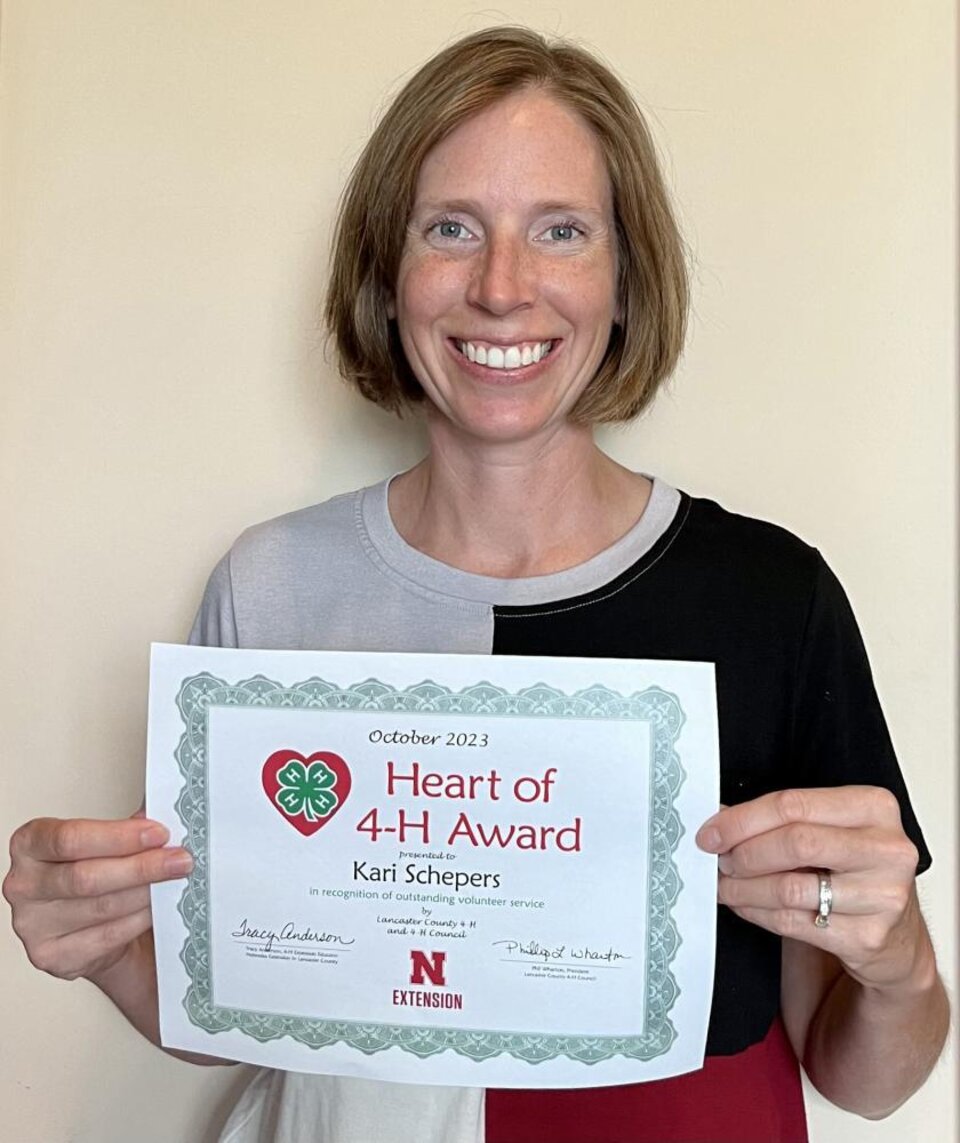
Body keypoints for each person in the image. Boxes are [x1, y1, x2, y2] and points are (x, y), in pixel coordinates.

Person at [4, 26, 948, 1143]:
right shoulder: (270, 587)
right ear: (386, 276)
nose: (503, 288)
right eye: (450, 228)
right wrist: (109, 949)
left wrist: (900, 969)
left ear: (624, 278)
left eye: (561, 231)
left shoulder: (773, 598)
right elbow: (251, 1012)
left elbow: (870, 1082)